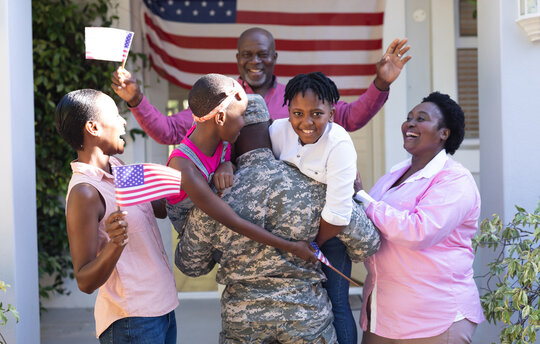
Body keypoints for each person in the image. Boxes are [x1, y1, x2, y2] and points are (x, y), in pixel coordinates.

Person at [175, 94, 381, 344]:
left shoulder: (213, 196)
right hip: (306, 321)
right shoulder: (315, 183)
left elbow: (191, 266)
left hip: (243, 325)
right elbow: (368, 244)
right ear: (270, 127)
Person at [111, 27, 411, 144]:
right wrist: (136, 99)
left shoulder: (298, 96)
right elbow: (168, 131)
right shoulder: (222, 97)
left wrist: (381, 83)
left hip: (294, 210)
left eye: (262, 54)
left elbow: (351, 117)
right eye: (247, 55)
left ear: (274, 57)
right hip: (240, 214)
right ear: (238, 59)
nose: (255, 61)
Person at [355, 92, 485, 343]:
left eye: (421, 119)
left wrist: (363, 198)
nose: (410, 124)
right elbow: (369, 222)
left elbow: (419, 231)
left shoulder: (454, 179)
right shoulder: (395, 174)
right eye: (409, 118)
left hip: (434, 319)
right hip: (382, 315)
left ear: (443, 133)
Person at [55, 89, 178, 343]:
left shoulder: (119, 168)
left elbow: (162, 207)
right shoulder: (85, 192)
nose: (124, 121)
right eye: (116, 114)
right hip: (132, 322)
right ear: (93, 128)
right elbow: (85, 281)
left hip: (162, 310)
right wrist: (114, 245)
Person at [164, 73, 316, 262]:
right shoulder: (185, 167)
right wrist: (292, 247)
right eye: (242, 115)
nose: (244, 124)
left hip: (217, 216)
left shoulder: (217, 134)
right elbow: (233, 222)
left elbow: (227, 159)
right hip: (196, 233)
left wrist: (228, 164)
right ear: (220, 118)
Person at [269, 72, 358, 344]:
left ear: (332, 112)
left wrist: (312, 245)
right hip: (290, 239)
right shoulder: (276, 131)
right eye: (297, 113)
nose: (306, 122)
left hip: (329, 236)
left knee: (336, 301)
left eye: (317, 114)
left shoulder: (339, 144)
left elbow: (339, 215)